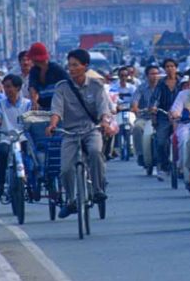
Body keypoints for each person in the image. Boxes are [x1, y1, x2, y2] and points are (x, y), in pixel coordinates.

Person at [46, 49, 116, 217]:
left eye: (76, 65)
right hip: (69, 132)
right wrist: (52, 125)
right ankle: (70, 201)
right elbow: (56, 110)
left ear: (85, 66)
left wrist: (105, 123)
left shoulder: (96, 86)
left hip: (91, 130)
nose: (72, 68)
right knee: (65, 169)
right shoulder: (62, 87)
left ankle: (98, 189)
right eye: (70, 65)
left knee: (95, 152)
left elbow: (103, 109)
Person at [0, 74, 34, 200]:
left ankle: (31, 183)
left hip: (23, 136)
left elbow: (32, 120)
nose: (7, 90)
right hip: (7, 137)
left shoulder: (27, 104)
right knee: (2, 154)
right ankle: (1, 185)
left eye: (10, 87)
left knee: (30, 156)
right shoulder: (0, 104)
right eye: (5, 87)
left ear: (18, 88)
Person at [150, 58, 180, 181]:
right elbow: (155, 99)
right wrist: (153, 109)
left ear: (176, 68)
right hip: (163, 116)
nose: (170, 68)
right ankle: (164, 166)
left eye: (172, 66)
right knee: (161, 141)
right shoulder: (161, 83)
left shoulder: (182, 83)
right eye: (167, 66)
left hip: (180, 117)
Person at [131, 63, 160, 168]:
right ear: (147, 75)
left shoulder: (163, 87)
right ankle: (140, 154)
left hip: (161, 118)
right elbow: (135, 103)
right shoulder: (141, 88)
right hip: (145, 118)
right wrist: (136, 109)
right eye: (152, 74)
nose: (155, 76)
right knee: (137, 128)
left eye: (157, 73)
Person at [27, 42, 69, 111]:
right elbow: (32, 87)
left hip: (59, 107)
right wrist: (34, 102)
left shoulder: (56, 69)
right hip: (43, 108)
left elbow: (67, 86)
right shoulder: (34, 71)